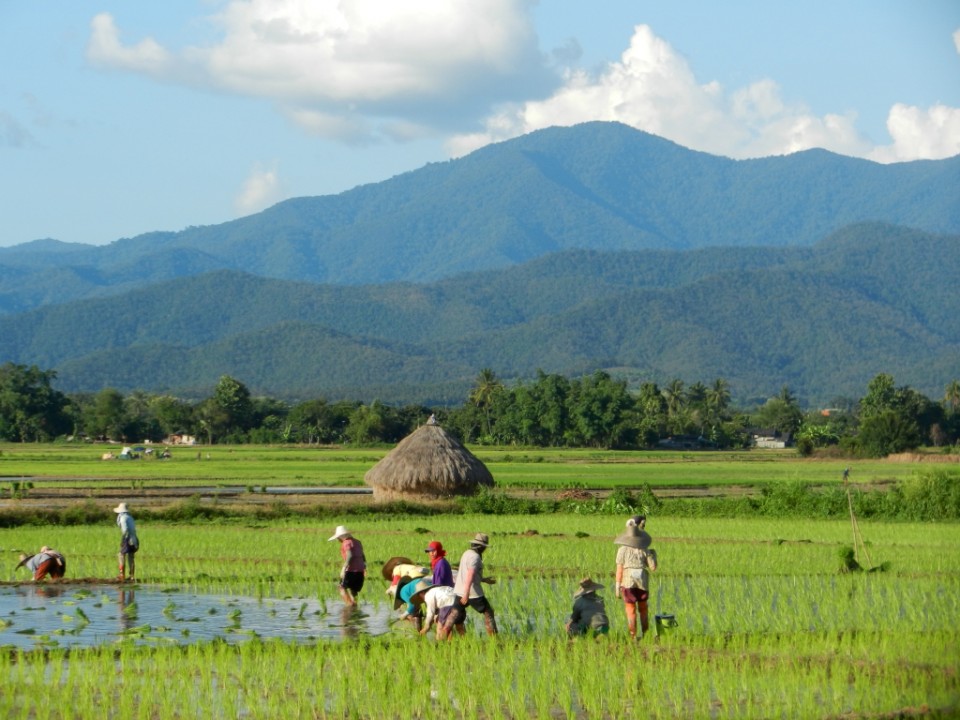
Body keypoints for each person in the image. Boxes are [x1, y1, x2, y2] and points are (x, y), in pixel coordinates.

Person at [443, 532, 498, 636]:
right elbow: (470, 574)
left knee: (453, 615)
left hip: (459, 590)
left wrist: (484, 580)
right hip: (472, 592)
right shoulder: (475, 557)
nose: (485, 549)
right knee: (488, 612)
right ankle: (494, 639)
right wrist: (466, 593)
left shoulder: (466, 553)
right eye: (484, 547)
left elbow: (466, 573)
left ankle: (441, 638)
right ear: (481, 547)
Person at [614, 519, 658, 639]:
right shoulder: (644, 550)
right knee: (643, 608)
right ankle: (646, 634)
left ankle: (633, 635)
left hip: (627, 582)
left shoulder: (622, 550)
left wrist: (617, 587)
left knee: (630, 609)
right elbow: (653, 568)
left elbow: (619, 569)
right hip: (642, 582)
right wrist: (654, 554)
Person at [329, 525, 366, 606]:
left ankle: (349, 606)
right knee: (354, 591)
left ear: (341, 536)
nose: (338, 540)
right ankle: (355, 607)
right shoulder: (358, 542)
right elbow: (363, 556)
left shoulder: (346, 542)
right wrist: (364, 568)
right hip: (360, 571)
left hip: (350, 571)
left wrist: (343, 568)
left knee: (341, 587)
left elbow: (350, 555)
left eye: (338, 538)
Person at [114, 502, 139, 582]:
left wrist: (122, 540)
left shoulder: (122, 518)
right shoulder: (130, 517)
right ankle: (132, 576)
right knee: (131, 557)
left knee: (121, 555)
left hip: (128, 538)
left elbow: (125, 530)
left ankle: (122, 575)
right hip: (134, 539)